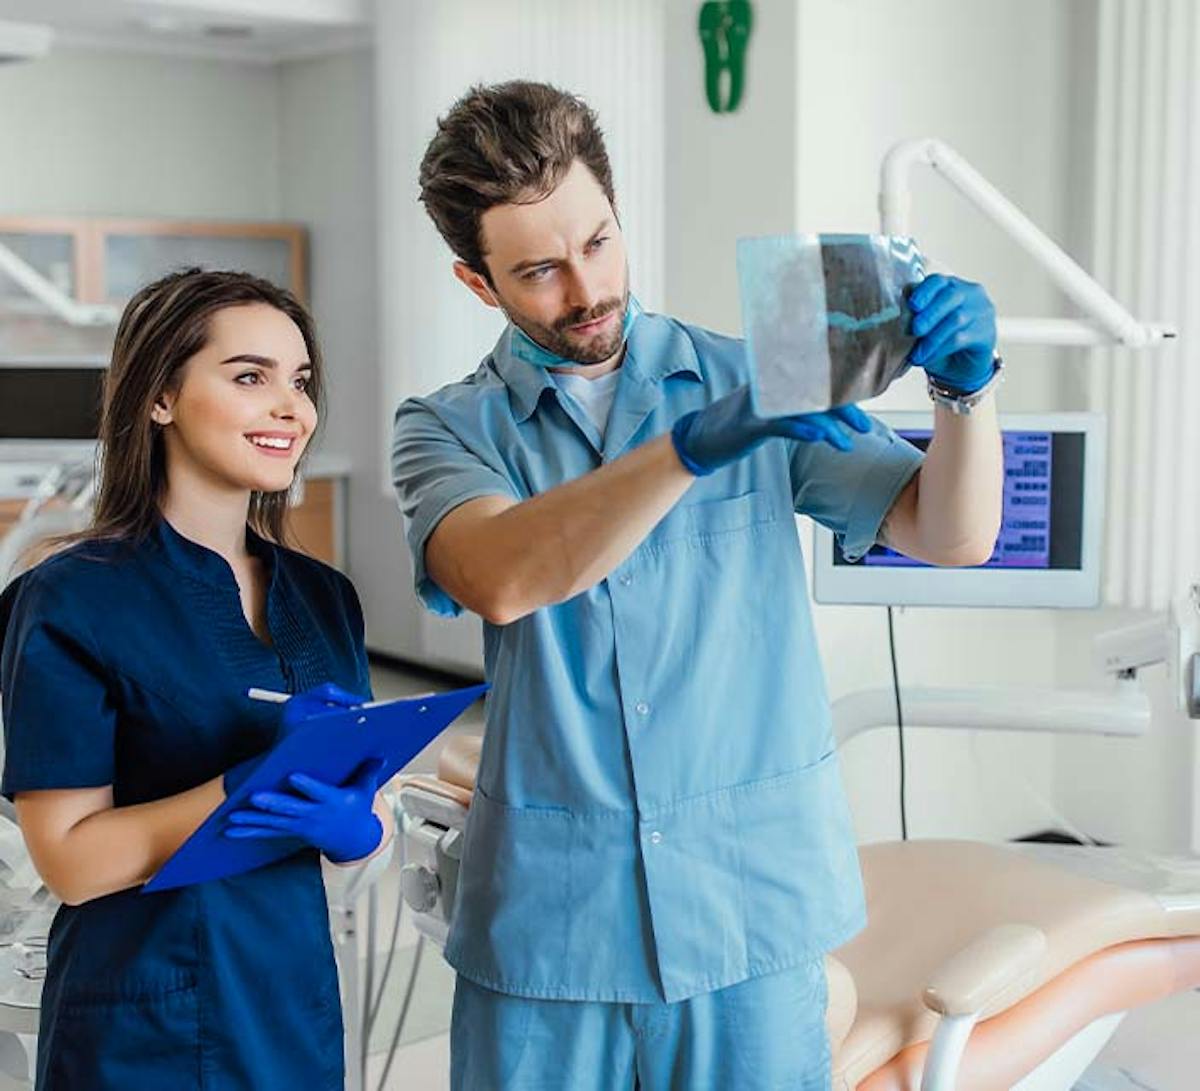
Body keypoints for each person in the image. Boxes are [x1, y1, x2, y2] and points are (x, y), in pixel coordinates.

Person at [393, 81, 1003, 1090]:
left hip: (749, 912)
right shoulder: (449, 427)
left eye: (597, 243)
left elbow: (953, 532)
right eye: (539, 270)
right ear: (476, 281)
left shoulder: (755, 373)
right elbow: (503, 575)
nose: (585, 289)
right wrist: (694, 447)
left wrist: (966, 393)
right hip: (552, 931)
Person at [0, 268, 393, 1090]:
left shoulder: (325, 599)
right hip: (142, 1023)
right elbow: (69, 859)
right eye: (251, 376)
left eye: (301, 381)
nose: (293, 408)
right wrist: (248, 785)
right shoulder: (73, 597)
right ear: (160, 398)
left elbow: (360, 813)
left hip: (289, 1004)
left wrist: (361, 829)